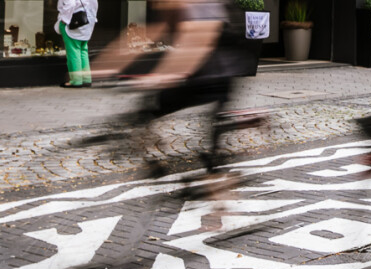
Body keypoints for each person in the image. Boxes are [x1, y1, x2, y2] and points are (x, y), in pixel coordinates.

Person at [91, 0, 256, 189]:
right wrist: (102, 67)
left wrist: (166, 75)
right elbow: (148, 32)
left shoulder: (203, 4)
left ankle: (216, 178)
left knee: (211, 132)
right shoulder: (166, 6)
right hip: (195, 70)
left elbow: (199, 40)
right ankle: (157, 155)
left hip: (220, 70)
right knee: (148, 110)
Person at [56, 0, 98, 88]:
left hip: (73, 23)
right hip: (87, 21)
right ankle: (86, 79)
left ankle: (76, 81)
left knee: (73, 52)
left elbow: (70, 3)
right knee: (83, 50)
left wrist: (64, 19)